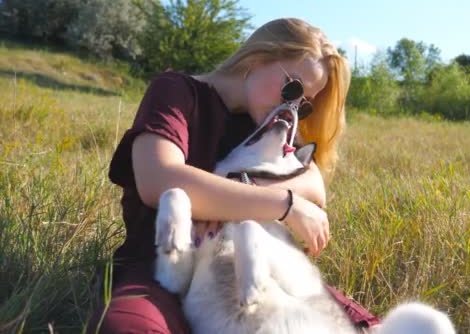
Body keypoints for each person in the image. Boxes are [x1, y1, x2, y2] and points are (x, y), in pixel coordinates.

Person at [87, 18, 379, 333]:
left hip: (252, 274)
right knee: (127, 329)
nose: (292, 107)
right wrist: (283, 203)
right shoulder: (178, 92)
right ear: (258, 57)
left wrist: (235, 192)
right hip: (160, 270)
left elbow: (313, 182)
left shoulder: (268, 122)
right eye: (292, 88)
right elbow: (157, 179)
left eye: (302, 104)